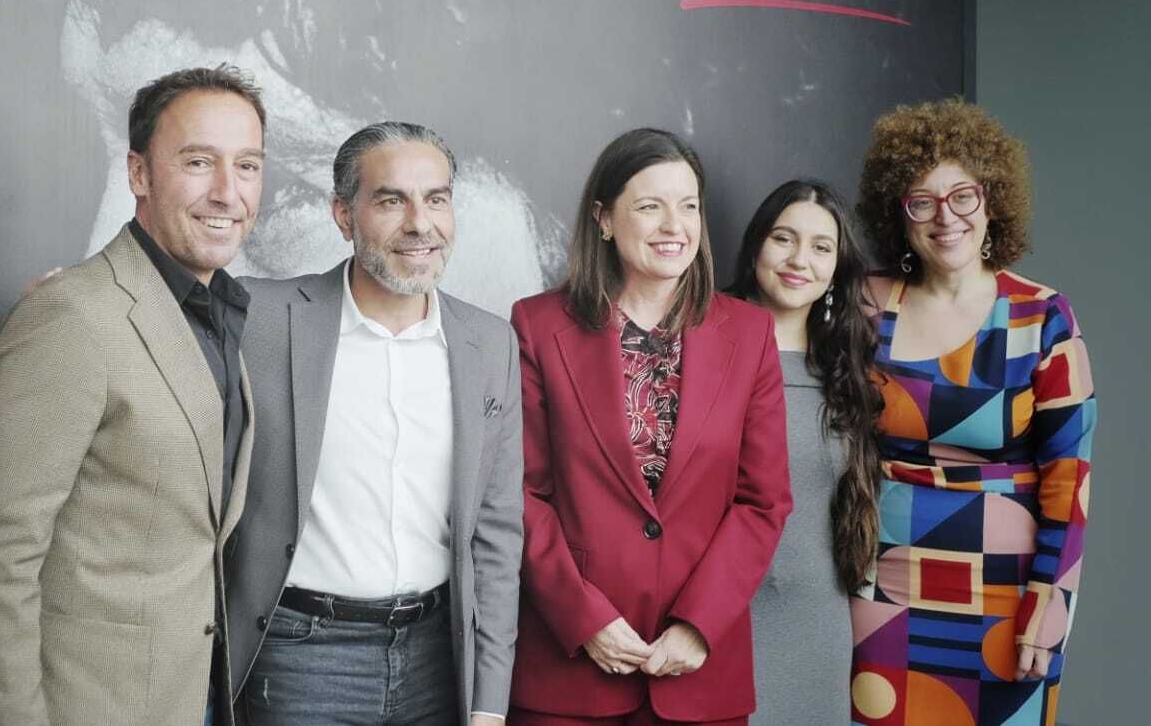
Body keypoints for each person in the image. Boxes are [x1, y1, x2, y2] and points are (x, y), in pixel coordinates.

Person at [0, 65, 266, 726]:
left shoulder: (217, 309)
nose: (228, 191)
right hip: (87, 704)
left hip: (189, 696)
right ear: (138, 174)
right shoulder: (71, 315)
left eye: (247, 166)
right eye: (198, 162)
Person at [225, 121, 524, 725]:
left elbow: (497, 537)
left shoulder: (490, 344)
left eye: (436, 198)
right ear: (344, 215)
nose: (421, 223)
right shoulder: (258, 316)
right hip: (301, 658)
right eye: (392, 200)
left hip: (437, 662)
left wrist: (489, 703)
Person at [507, 127, 791, 726]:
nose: (674, 225)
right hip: (571, 669)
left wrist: (699, 623)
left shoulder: (748, 333)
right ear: (604, 219)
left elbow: (761, 501)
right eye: (650, 206)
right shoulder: (536, 325)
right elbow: (520, 493)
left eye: (688, 206)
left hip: (698, 668)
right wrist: (584, 618)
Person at [848, 99, 1095, 726]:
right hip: (885, 591)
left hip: (1007, 599)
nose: (945, 217)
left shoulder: (1042, 317)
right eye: (921, 201)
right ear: (898, 214)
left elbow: (1071, 479)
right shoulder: (865, 307)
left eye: (963, 195)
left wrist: (1052, 598)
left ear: (991, 200)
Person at [726, 179, 883, 726]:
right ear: (756, 248)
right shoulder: (701, 345)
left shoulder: (846, 370)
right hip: (718, 624)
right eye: (783, 239)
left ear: (837, 268)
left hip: (817, 628)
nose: (800, 261)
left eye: (821, 247)